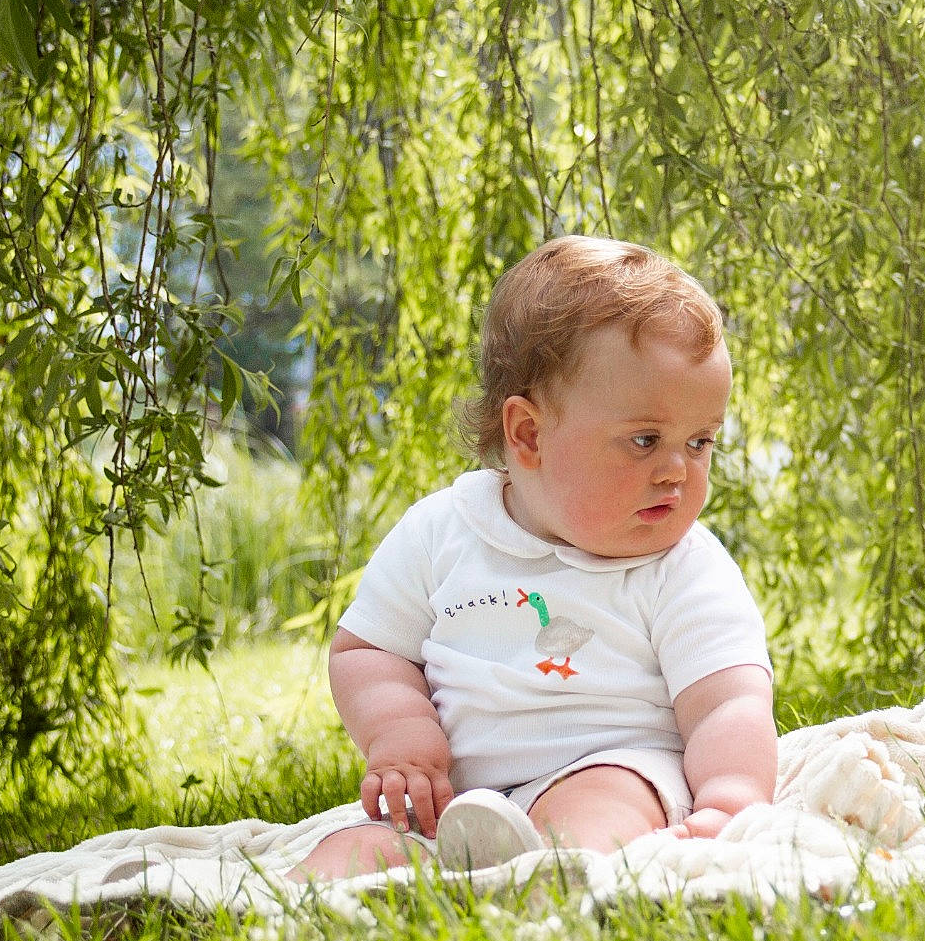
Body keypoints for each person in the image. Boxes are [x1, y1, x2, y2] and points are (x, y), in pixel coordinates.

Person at [292, 235, 776, 879]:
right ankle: (291, 916)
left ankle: (549, 889)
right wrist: (402, 733)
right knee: (353, 854)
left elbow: (727, 701)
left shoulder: (683, 567)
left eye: (699, 441)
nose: (676, 471)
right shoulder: (444, 532)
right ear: (529, 435)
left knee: (597, 813)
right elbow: (368, 650)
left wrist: (728, 801)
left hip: (611, 765)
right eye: (644, 439)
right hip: (452, 801)